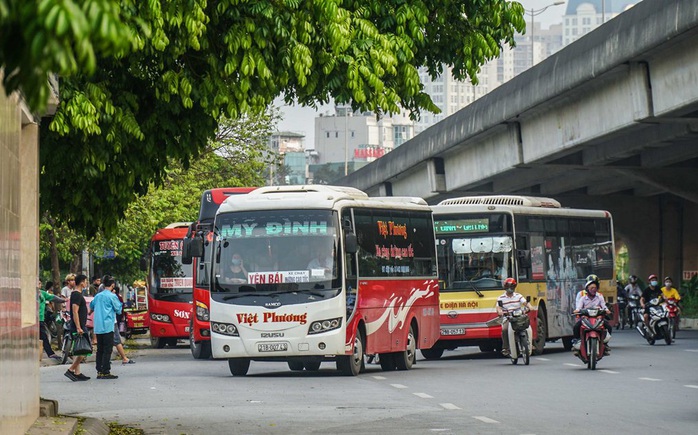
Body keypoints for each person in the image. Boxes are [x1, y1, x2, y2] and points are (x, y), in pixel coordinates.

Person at [90, 275, 123, 380]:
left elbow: (91, 306)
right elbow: (118, 309)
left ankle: (99, 370)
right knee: (107, 349)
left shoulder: (98, 296)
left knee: (100, 349)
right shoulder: (112, 296)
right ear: (112, 285)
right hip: (108, 326)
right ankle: (106, 371)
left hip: (98, 326)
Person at [573, 279, 612, 355]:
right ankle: (577, 341)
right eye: (592, 288)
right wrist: (576, 311)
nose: (594, 290)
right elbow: (578, 308)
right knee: (576, 327)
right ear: (587, 289)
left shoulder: (599, 297)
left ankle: (605, 343)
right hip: (586, 318)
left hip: (598, 318)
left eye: (595, 288)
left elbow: (604, 307)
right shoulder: (583, 298)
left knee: (608, 326)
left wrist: (607, 311)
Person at [496, 278, 533, 357]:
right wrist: (500, 311)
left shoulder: (518, 296)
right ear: (505, 287)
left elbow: (525, 302)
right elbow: (498, 307)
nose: (510, 288)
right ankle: (506, 348)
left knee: (527, 326)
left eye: (512, 286)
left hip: (519, 317)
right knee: (504, 329)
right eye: (508, 286)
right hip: (508, 318)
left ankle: (530, 344)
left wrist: (529, 306)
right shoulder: (501, 298)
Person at [65, 274, 90, 381]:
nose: (86, 283)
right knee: (85, 349)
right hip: (78, 326)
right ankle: (71, 370)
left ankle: (77, 372)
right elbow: (75, 311)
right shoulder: (76, 295)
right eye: (86, 281)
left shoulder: (78, 294)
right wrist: (79, 327)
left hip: (80, 325)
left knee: (79, 350)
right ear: (82, 282)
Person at [38, 279, 66, 361]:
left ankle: (50, 353)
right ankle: (50, 353)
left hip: (40, 318)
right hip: (32, 319)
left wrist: (63, 300)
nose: (39, 284)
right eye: (38, 283)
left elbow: (52, 297)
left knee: (43, 336)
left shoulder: (43, 293)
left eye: (40, 283)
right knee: (43, 337)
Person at [113, 286, 135, 365]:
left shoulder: (98, 296)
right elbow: (119, 309)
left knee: (104, 342)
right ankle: (124, 358)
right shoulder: (114, 297)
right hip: (111, 321)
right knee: (116, 340)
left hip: (100, 324)